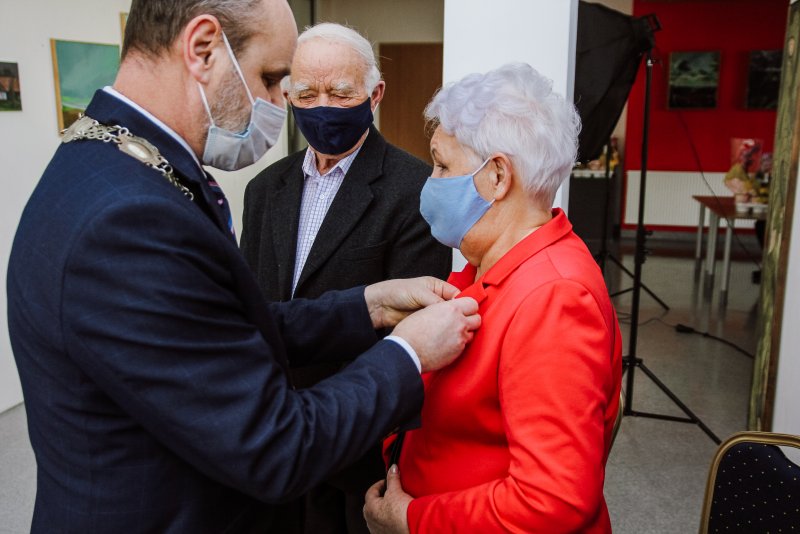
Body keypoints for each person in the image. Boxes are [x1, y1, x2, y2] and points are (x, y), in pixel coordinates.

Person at [5, 1, 480, 532]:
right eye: (273, 78)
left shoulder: (105, 163)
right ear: (203, 48)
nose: (280, 103)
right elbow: (273, 446)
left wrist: (367, 304)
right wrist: (408, 352)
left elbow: (214, 326)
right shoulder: (131, 218)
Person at [364, 63, 623, 533]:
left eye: (443, 165)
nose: (431, 180)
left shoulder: (554, 297)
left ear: (498, 176)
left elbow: (552, 500)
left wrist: (412, 519)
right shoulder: (487, 267)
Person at [240, 22, 451, 534]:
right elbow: (253, 312)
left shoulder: (415, 189)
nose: (323, 107)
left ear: (374, 95)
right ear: (287, 96)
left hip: (357, 443)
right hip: (269, 433)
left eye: (340, 93)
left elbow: (411, 332)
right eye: (306, 94)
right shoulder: (264, 189)